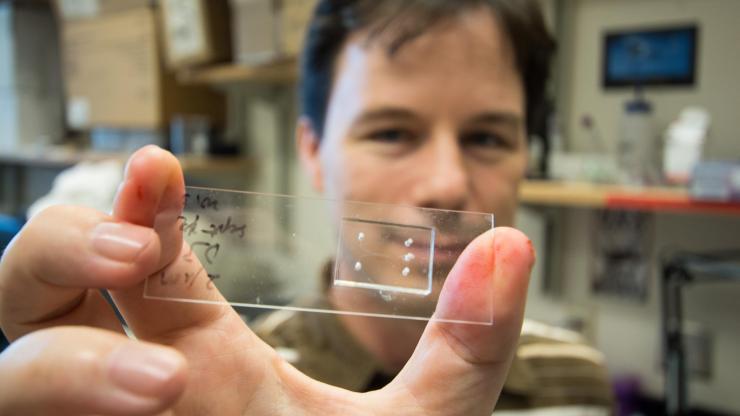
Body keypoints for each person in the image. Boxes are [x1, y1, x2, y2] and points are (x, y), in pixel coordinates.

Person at [0, 1, 607, 415]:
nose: (446, 185)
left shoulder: (578, 376)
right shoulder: (208, 386)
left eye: (487, 138)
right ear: (312, 152)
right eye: (392, 133)